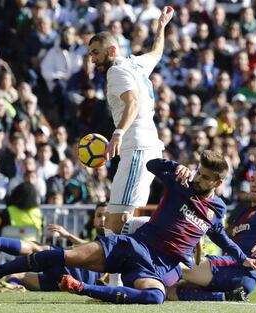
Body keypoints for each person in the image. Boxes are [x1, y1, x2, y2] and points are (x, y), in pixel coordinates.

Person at [0, 150, 256, 304]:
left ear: (217, 183)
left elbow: (220, 237)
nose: (197, 178)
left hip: (159, 266)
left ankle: (82, 288)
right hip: (136, 245)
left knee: (155, 298)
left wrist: (243, 258)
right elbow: (151, 167)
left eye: (204, 177)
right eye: (198, 172)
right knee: (66, 256)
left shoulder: (216, 210)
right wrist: (173, 165)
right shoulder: (180, 184)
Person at [88, 7, 174, 235]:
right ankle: (121, 270)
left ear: (112, 50)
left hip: (137, 146)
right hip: (143, 146)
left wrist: (118, 133)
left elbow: (132, 102)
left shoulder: (115, 72)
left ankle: (176, 230)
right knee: (118, 216)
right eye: (90, 54)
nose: (92, 59)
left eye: (96, 53)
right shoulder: (135, 64)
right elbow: (157, 52)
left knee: (118, 218)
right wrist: (161, 27)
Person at [166, 161, 256, 302]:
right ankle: (228, 296)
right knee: (170, 292)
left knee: (173, 265)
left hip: (240, 269)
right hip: (230, 272)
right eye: (252, 180)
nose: (254, 184)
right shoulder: (244, 212)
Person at [0, 203, 107, 292]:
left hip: (86, 276)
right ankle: (13, 286)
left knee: (38, 248)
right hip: (62, 282)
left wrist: (69, 236)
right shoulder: (96, 241)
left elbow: (93, 248)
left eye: (106, 216)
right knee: (17, 275)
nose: (103, 219)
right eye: (99, 216)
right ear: (93, 220)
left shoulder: (115, 238)